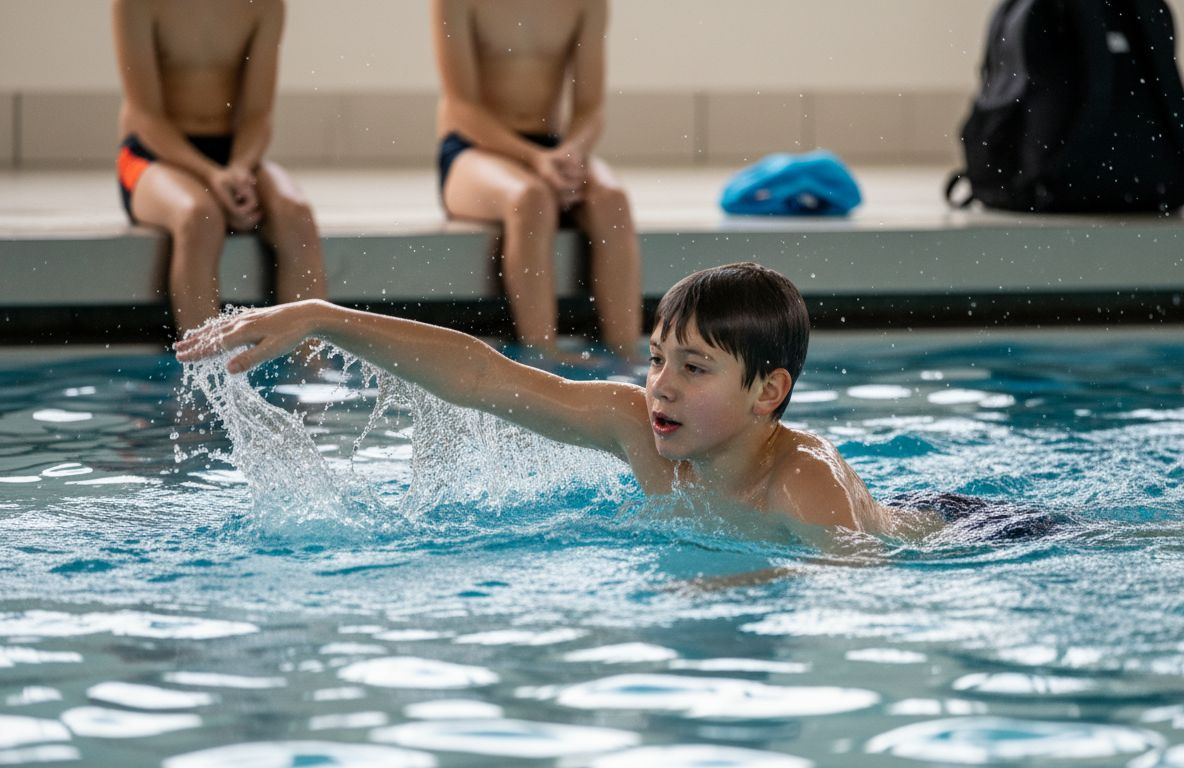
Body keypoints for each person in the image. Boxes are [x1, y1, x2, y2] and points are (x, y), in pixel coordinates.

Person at [175, 262, 947, 547]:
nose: (662, 386)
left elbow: (860, 605)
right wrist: (320, 315)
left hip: (964, 528)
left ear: (768, 393)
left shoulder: (805, 483)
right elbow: (482, 379)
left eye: (696, 368)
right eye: (656, 360)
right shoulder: (638, 429)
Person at [432, 0, 642, 363]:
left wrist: (572, 151)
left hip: (550, 146)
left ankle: (631, 360)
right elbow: (460, 107)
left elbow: (590, 108)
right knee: (530, 199)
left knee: (613, 200)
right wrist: (534, 159)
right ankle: (541, 357)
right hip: (472, 148)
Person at [112, 0, 327, 336]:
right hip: (152, 155)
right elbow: (145, 117)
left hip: (231, 154)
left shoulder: (265, 5)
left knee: (295, 215)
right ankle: (205, 379)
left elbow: (258, 114)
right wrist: (213, 175)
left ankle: (314, 374)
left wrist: (240, 168)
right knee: (199, 217)